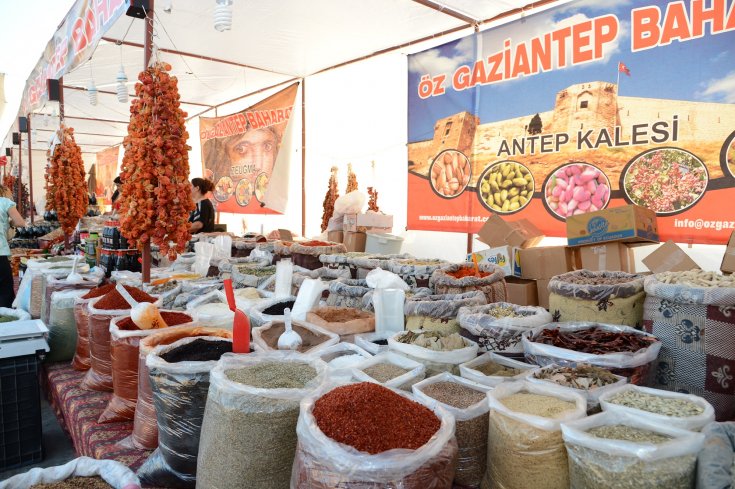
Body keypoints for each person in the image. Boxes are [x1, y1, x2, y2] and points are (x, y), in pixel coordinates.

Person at [0, 184, 26, 307]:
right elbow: (20, 222)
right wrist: (10, 223)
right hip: (0, 253)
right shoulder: (5, 202)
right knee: (4, 291)